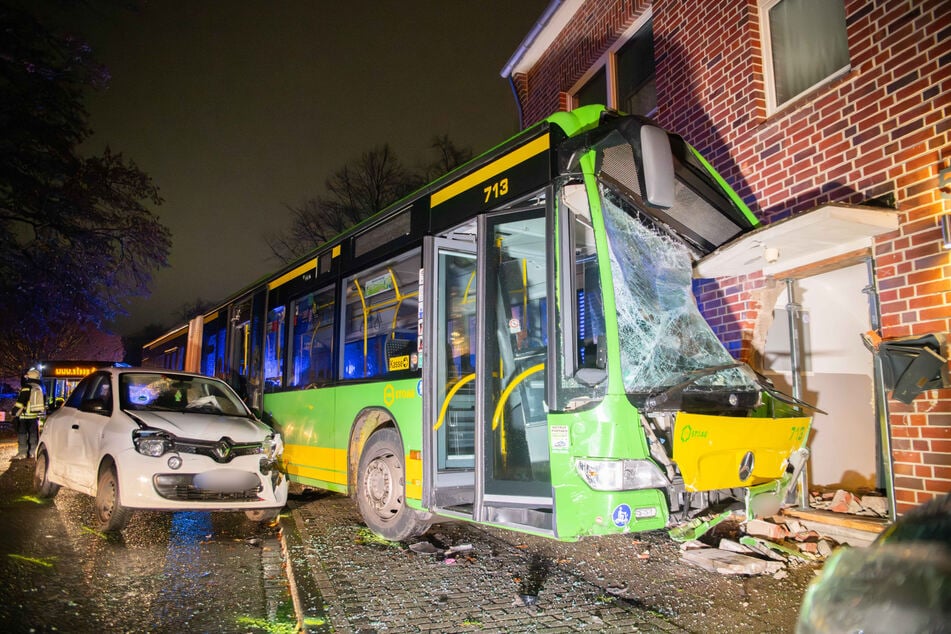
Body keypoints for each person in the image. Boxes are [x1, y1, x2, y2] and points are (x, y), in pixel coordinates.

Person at [11, 369, 45, 460]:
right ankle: (33, 452)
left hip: (24, 415)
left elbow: (21, 402)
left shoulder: (27, 387)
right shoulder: (40, 387)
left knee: (22, 434)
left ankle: (22, 453)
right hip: (34, 416)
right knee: (33, 434)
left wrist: (14, 412)